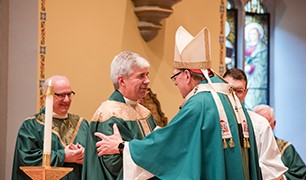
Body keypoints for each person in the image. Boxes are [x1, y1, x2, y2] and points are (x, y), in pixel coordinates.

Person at [93, 26, 262, 179]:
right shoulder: (228, 96)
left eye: (175, 77)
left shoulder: (199, 104)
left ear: (187, 75)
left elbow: (169, 147)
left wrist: (123, 147)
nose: (175, 84)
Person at [82, 51, 158, 179]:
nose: (147, 81)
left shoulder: (144, 112)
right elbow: (114, 164)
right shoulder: (109, 114)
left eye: (147, 75)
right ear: (122, 81)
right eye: (141, 76)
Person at [12, 75, 89, 180]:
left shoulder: (82, 125)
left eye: (69, 94)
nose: (66, 100)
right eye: (61, 95)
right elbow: (27, 159)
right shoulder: (31, 126)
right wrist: (63, 156)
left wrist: (86, 156)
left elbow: (94, 158)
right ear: (45, 97)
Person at [223, 68, 288, 179]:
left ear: (246, 92)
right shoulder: (212, 120)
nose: (233, 95)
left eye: (238, 91)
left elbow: (273, 169)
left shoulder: (260, 124)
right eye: (229, 90)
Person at [253, 104, 306, 180]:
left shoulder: (286, 148)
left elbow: (299, 173)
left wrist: (282, 178)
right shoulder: (248, 148)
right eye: (258, 123)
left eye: (266, 121)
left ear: (274, 124)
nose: (262, 126)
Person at [244, 22, 268, 110]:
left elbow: (262, 64)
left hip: (258, 80)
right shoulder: (245, 47)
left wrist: (252, 67)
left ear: (259, 34)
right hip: (247, 77)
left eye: (254, 33)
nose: (252, 36)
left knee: (256, 96)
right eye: (250, 33)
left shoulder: (263, 48)